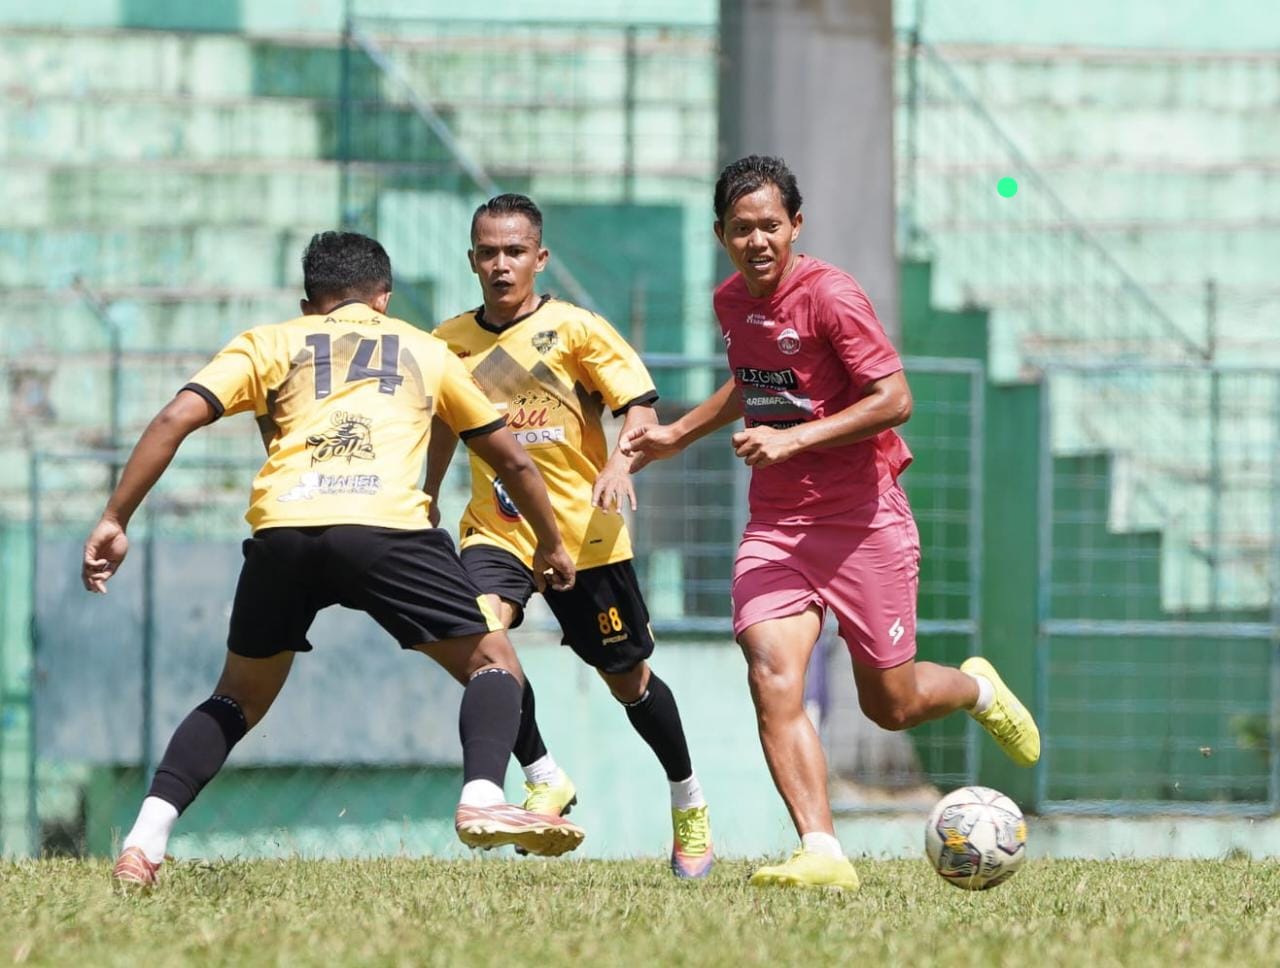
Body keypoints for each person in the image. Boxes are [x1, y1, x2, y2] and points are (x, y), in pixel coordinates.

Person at [84, 231, 585, 889]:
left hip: (285, 527)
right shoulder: (426, 349)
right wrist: (550, 542)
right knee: (495, 664)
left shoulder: (271, 340)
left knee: (236, 697)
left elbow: (176, 416)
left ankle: (144, 844)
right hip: (386, 528)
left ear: (307, 302)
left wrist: (116, 518)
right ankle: (485, 796)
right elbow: (511, 457)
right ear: (384, 297)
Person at [623, 156, 1039, 891]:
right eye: (743, 229)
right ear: (721, 234)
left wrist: (792, 439)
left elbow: (894, 397)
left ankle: (974, 687)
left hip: (865, 523)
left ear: (796, 227)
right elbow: (750, 381)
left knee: (893, 704)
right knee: (771, 674)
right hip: (778, 528)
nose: (758, 241)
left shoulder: (832, 297)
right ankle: (822, 849)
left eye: (771, 227)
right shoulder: (731, 303)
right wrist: (678, 434)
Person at [425, 193, 713, 879]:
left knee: (627, 679)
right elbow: (441, 426)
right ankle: (542, 774)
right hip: (496, 531)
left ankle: (689, 801)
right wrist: (426, 498)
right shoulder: (448, 343)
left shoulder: (575, 330)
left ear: (539, 258)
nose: (501, 265)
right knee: (479, 635)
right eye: (489, 253)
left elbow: (637, 402)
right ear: (471, 260)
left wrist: (618, 460)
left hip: (586, 537)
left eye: (514, 252)